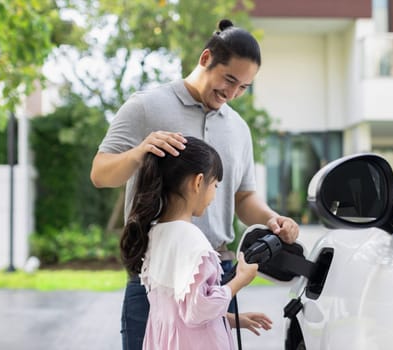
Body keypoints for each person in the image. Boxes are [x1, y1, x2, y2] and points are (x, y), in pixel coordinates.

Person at [90, 19, 299, 349]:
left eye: (243, 87)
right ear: (205, 59)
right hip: (156, 272)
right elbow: (101, 174)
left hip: (216, 272)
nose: (231, 93)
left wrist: (271, 219)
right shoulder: (145, 106)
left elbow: (243, 197)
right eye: (229, 79)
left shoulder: (239, 129)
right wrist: (140, 152)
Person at [121, 136, 272, 349]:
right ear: (198, 182)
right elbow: (198, 310)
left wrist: (229, 319)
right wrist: (240, 280)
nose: (213, 196)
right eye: (215, 186)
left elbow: (179, 312)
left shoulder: (156, 233)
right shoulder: (193, 241)